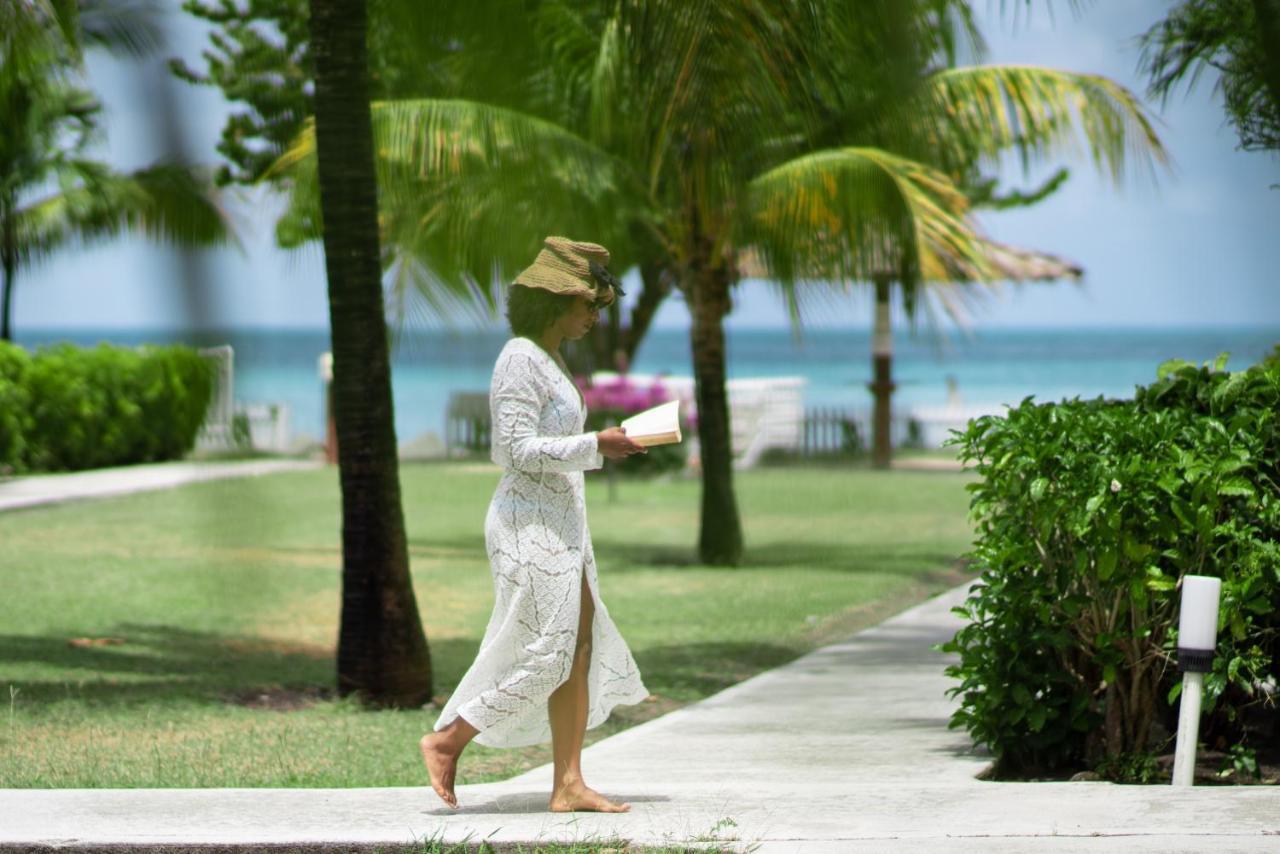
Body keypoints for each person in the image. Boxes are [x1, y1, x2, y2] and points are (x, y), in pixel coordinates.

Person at [419, 236, 650, 813]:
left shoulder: (548, 357)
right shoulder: (519, 357)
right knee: (550, 648)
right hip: (528, 523)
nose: (596, 316)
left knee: (578, 644)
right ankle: (448, 739)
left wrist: (599, 445)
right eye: (589, 306)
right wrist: (598, 443)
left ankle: (568, 783)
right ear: (554, 304)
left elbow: (546, 442)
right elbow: (514, 449)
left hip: (562, 521)